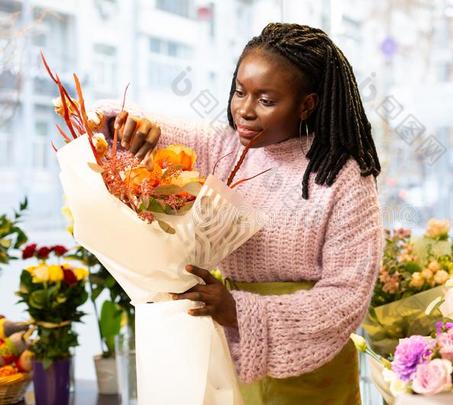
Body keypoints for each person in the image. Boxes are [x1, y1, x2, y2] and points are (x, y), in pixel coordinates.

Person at [98, 22, 382, 405]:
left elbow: (346, 299)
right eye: (239, 92)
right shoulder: (227, 148)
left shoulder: (344, 177)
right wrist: (125, 124)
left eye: (266, 100)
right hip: (228, 356)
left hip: (314, 375)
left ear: (307, 104)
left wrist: (241, 313)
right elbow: (129, 123)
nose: (245, 111)